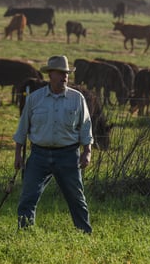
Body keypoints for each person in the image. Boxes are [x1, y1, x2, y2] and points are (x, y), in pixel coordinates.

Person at [13, 55, 93, 233]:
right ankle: (24, 235)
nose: (65, 77)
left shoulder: (77, 99)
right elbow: (22, 128)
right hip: (39, 154)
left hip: (68, 155)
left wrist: (87, 152)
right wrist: (18, 154)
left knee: (76, 198)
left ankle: (84, 234)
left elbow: (86, 127)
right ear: (50, 74)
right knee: (28, 196)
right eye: (60, 73)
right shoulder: (35, 99)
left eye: (66, 73)